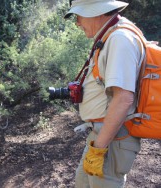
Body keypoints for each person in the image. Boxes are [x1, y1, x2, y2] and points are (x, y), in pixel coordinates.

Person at [64, 0, 145, 187]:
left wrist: (98, 149)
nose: (77, 23)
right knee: (82, 182)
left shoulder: (119, 39)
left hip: (111, 140)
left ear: (97, 12)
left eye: (79, 15)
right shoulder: (112, 36)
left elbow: (124, 99)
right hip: (102, 136)